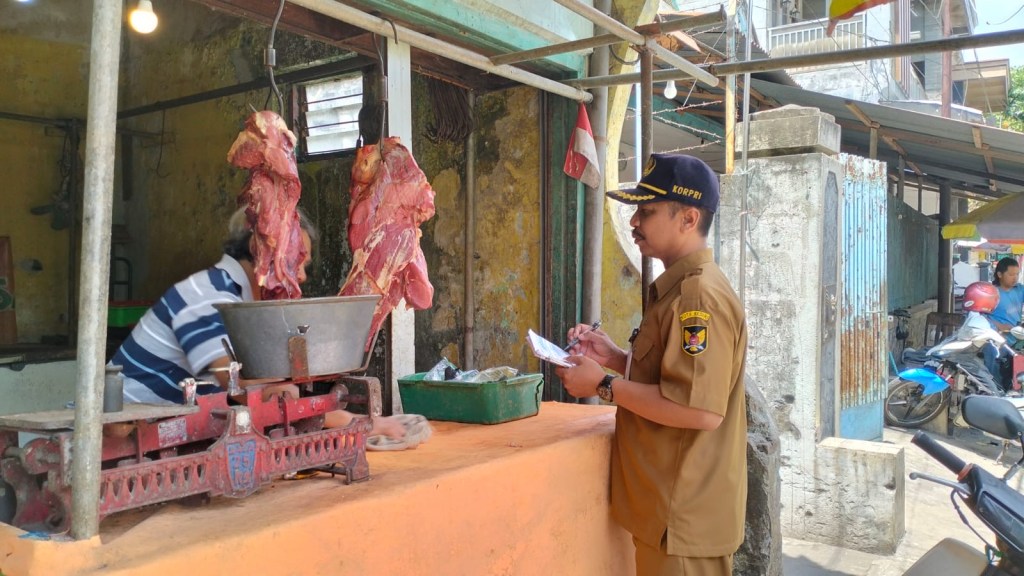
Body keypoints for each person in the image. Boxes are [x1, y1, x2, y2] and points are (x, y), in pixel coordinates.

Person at [555, 154, 747, 575]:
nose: (634, 221)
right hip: (667, 514)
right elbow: (676, 379)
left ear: (688, 218)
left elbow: (700, 410)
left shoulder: (698, 298)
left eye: (647, 211)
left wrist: (604, 385)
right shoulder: (679, 290)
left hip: (682, 521)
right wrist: (615, 358)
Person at [109, 207, 411, 441]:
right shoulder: (205, 292)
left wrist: (368, 424)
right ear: (261, 249)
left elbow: (274, 395)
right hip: (113, 437)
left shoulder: (244, 304)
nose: (302, 276)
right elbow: (239, 384)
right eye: (295, 261)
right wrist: (362, 424)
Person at [990, 257, 1024, 344]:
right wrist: (999, 325)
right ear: (1000, 274)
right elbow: (978, 316)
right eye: (1011, 275)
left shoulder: (1020, 289)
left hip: (1016, 338)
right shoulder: (990, 292)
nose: (1015, 278)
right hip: (995, 339)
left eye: (1017, 274)